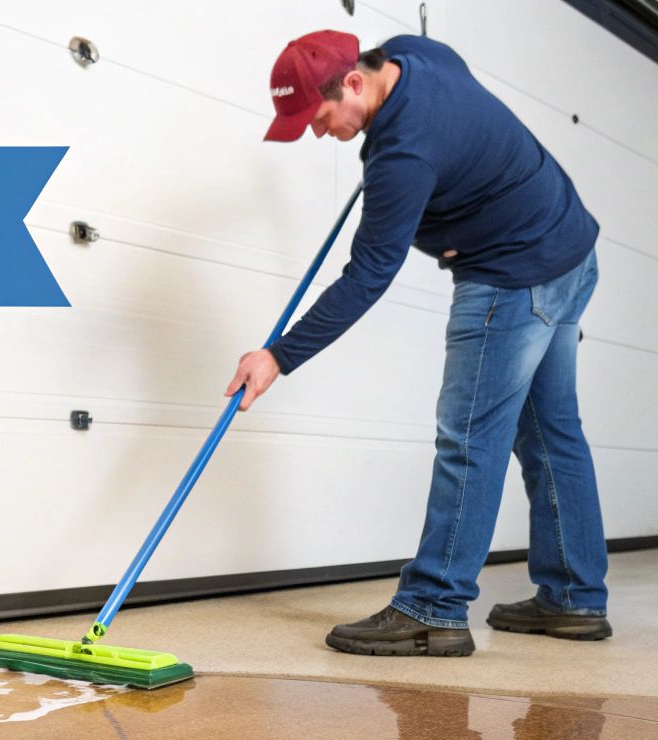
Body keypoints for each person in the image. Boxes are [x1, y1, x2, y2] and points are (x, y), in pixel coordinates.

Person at [228, 30, 612, 658]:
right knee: (550, 431)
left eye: (319, 117)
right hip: (569, 248)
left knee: (469, 435)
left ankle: (434, 607)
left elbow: (367, 277)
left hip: (512, 274)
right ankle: (573, 596)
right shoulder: (414, 53)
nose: (318, 132)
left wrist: (278, 356)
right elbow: (440, 85)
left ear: (354, 83)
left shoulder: (401, 157)